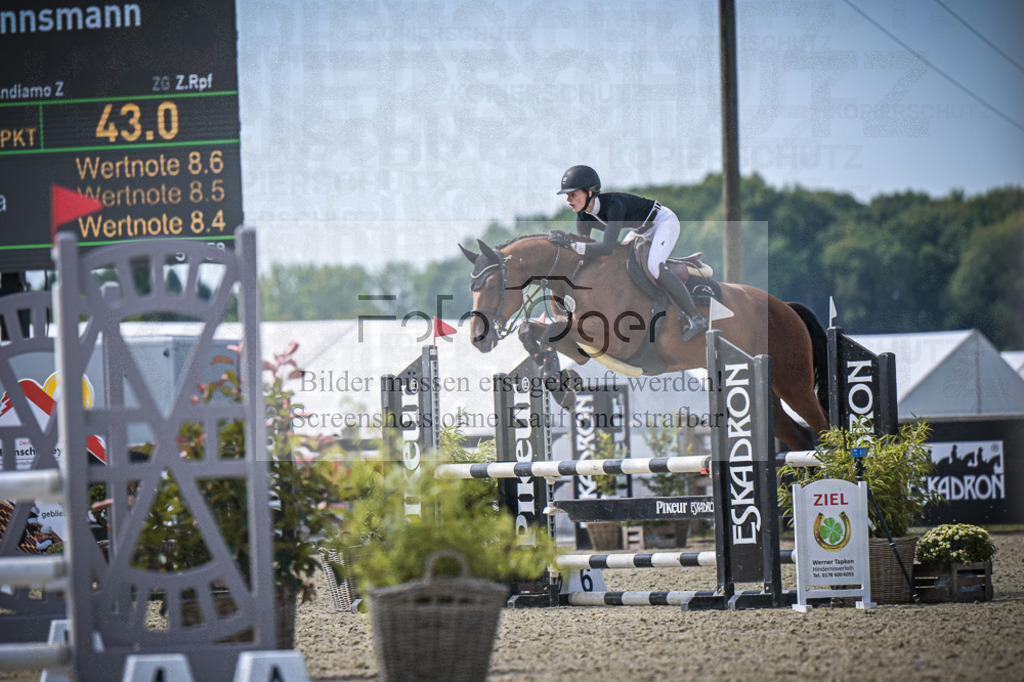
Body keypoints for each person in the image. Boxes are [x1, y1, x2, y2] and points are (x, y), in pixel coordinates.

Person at [556, 164, 708, 341]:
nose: (568, 200)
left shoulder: (614, 206)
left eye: (573, 194)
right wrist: (564, 246)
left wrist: (573, 245)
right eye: (567, 195)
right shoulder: (583, 216)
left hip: (662, 223)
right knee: (619, 263)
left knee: (654, 267)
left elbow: (607, 247)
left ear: (590, 192)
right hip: (639, 230)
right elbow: (584, 253)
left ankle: (696, 317)